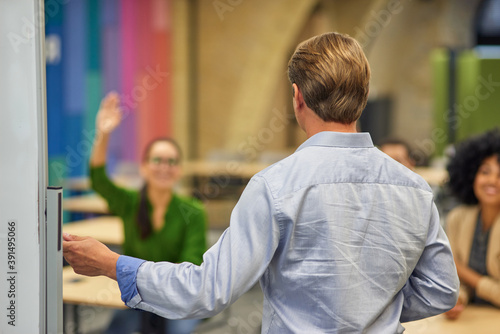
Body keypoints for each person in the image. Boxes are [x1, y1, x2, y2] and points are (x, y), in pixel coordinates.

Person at [63, 32, 459, 333]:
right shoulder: (415, 189)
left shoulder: (275, 186)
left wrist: (112, 264)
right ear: (363, 95)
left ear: (297, 97)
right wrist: (373, 308)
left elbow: (206, 291)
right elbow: (442, 289)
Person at [89, 92, 207, 334]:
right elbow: (98, 180)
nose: (165, 167)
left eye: (171, 162)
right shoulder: (130, 202)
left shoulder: (193, 212)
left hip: (177, 297)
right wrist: (103, 134)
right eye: (157, 160)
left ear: (180, 170)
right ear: (143, 167)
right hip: (137, 295)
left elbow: (191, 266)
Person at [444, 129, 500, 320]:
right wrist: (457, 300)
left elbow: (459, 270)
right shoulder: (457, 219)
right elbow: (455, 280)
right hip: (473, 322)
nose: (492, 181)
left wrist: (465, 272)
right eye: (485, 171)